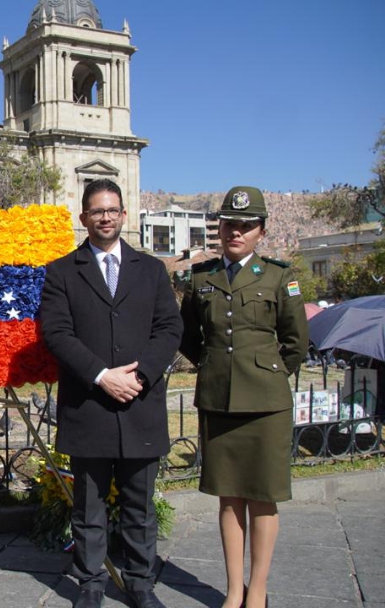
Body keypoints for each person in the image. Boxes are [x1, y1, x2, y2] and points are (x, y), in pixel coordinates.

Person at [40, 179, 182, 608]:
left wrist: (140, 376)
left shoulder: (151, 270)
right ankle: (90, 584)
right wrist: (102, 376)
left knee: (140, 506)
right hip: (89, 406)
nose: (105, 218)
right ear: (84, 217)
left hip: (140, 403)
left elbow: (169, 328)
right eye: (97, 211)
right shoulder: (62, 271)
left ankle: (140, 582)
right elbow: (56, 332)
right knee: (89, 507)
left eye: (112, 210)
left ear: (124, 214)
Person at [179, 186, 308, 608]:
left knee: (263, 496)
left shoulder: (279, 277)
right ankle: (234, 589)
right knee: (229, 496)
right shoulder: (202, 278)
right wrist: (215, 366)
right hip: (218, 399)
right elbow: (187, 335)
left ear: (261, 232)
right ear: (219, 229)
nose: (236, 232)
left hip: (267, 405)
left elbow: (296, 343)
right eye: (229, 225)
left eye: (246, 226)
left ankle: (258, 589)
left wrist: (265, 375)